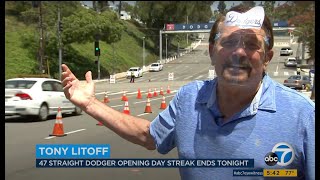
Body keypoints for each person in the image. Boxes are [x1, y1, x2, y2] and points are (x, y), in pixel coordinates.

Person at [61, 5, 314, 180]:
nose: (238, 53)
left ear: (268, 57)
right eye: (228, 43)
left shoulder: (302, 115)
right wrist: (90, 103)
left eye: (251, 45)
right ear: (212, 52)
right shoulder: (189, 98)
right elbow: (149, 136)